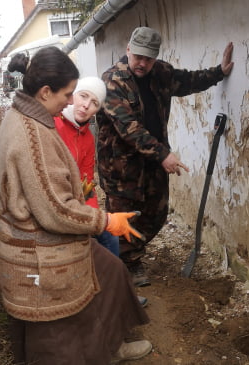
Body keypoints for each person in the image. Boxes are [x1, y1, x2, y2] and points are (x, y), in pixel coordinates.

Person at [0, 47, 152, 364]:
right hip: (37, 250)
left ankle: (112, 346)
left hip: (48, 236)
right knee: (60, 331)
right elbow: (55, 210)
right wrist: (106, 221)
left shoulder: (28, 115)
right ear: (45, 91)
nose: (71, 101)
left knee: (110, 272)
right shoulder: (32, 136)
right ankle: (102, 352)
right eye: (68, 94)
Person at [96, 27, 234, 287]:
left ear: (156, 57)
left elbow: (188, 80)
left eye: (148, 58)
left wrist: (219, 72)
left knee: (156, 213)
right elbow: (128, 127)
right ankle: (125, 265)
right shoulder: (113, 80)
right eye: (138, 56)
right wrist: (164, 154)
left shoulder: (161, 73)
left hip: (152, 161)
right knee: (122, 217)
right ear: (128, 50)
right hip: (120, 166)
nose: (142, 63)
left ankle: (126, 254)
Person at [53, 76, 148, 307]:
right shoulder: (52, 126)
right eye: (83, 96)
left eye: (94, 103)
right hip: (56, 207)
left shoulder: (86, 137)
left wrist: (96, 220)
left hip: (76, 207)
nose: (86, 106)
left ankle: (114, 292)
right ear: (72, 95)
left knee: (108, 237)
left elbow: (87, 185)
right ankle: (106, 296)